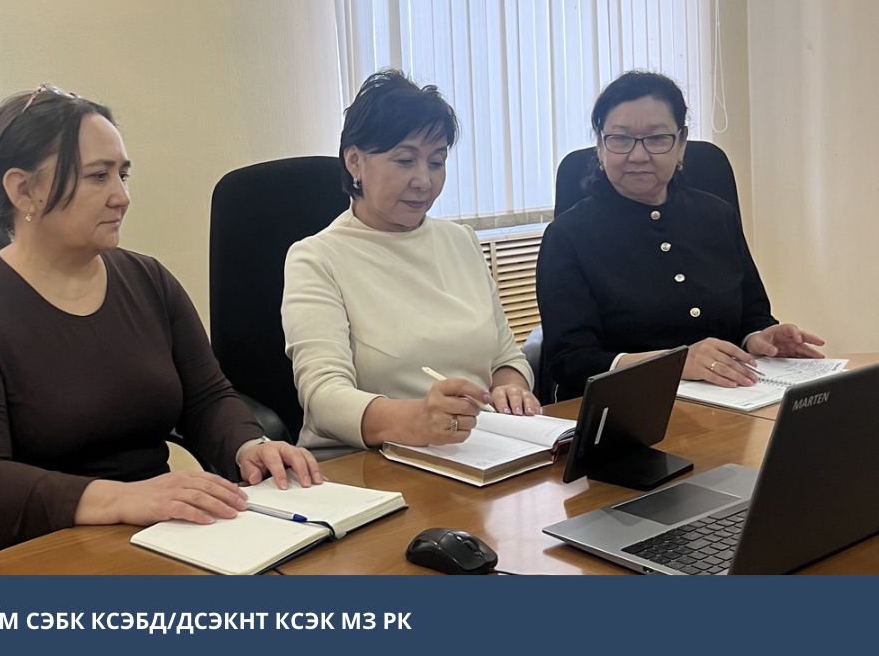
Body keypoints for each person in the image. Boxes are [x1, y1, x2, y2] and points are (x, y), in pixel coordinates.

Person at [0, 85, 320, 567]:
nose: (122, 197)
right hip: (20, 549)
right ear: (23, 190)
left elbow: (207, 398)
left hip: (150, 528)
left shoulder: (148, 280)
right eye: (98, 176)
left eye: (122, 175)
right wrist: (123, 498)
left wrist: (250, 445)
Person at [282, 69, 539, 451]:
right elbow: (322, 397)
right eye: (405, 161)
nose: (424, 181)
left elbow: (506, 356)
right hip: (366, 461)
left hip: (476, 451)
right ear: (354, 161)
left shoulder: (461, 241)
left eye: (436, 162)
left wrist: (511, 390)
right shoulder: (317, 258)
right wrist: (416, 420)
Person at [535, 70, 824, 399]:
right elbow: (569, 361)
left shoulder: (717, 215)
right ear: (601, 146)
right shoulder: (567, 236)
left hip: (733, 401)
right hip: (628, 408)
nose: (638, 155)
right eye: (621, 139)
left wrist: (760, 338)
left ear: (681, 143)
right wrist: (675, 363)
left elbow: (752, 313)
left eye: (657, 138)